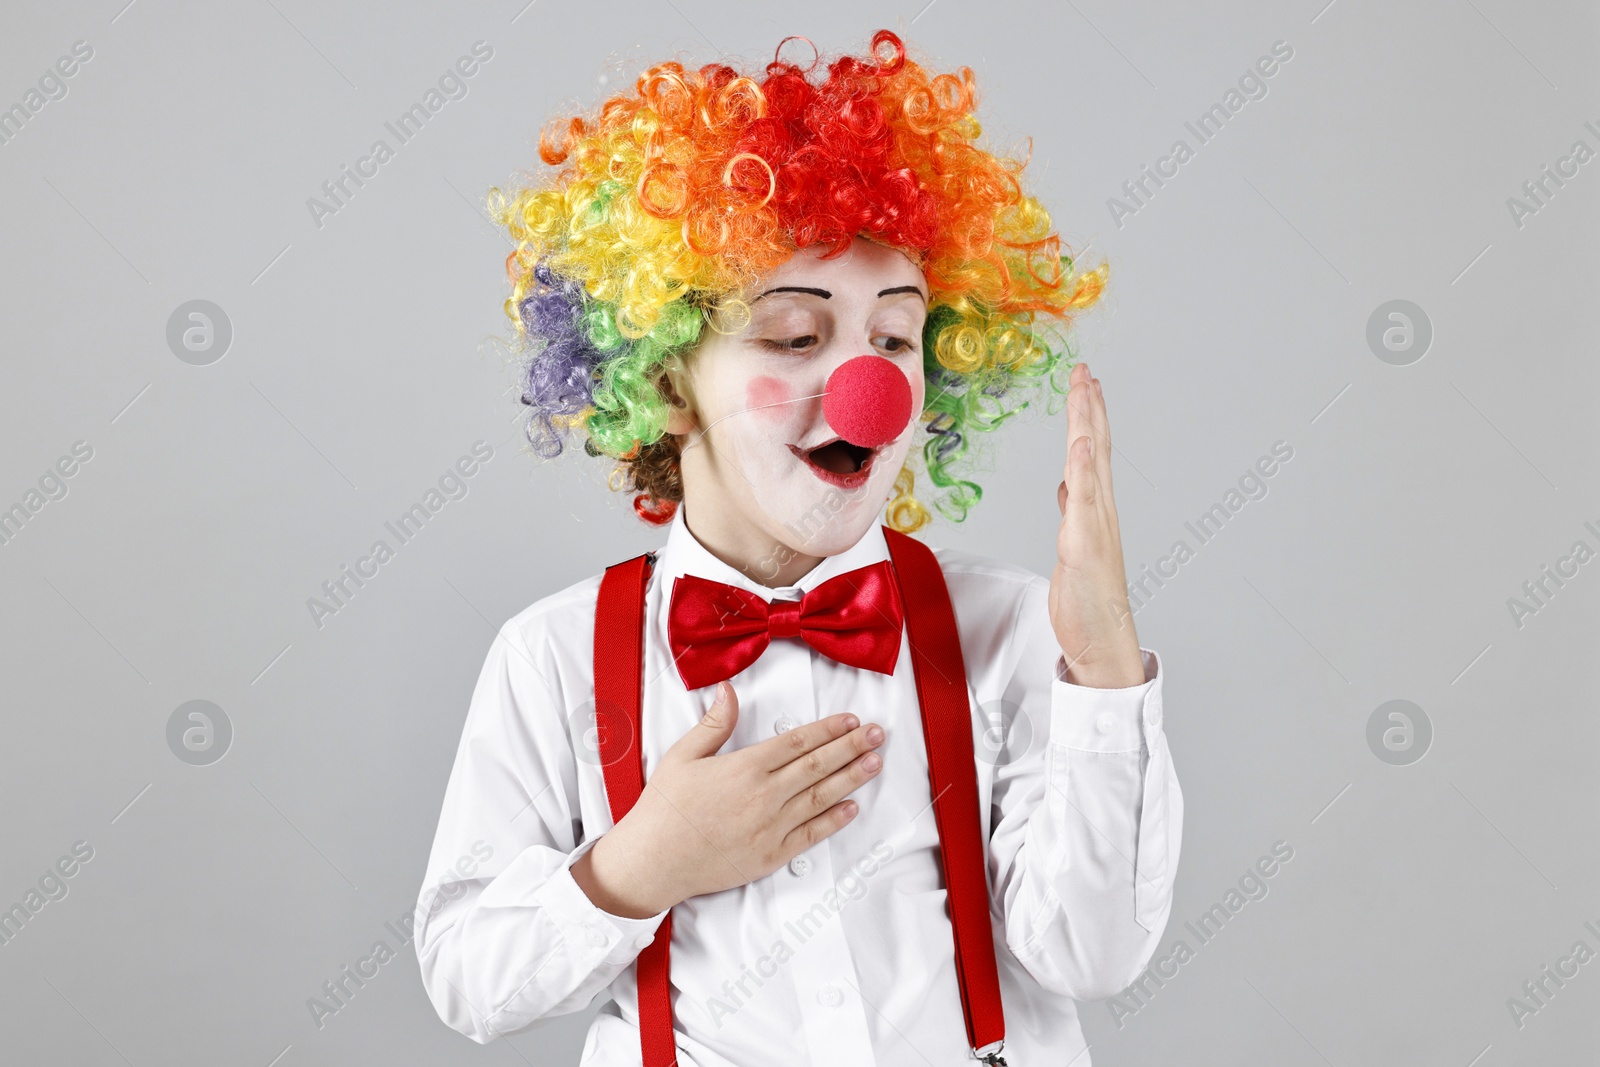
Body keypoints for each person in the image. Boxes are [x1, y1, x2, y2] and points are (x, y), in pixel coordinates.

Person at [415, 29, 1182, 1066]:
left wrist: (1099, 672)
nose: (866, 387)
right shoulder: (550, 657)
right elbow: (466, 972)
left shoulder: (1008, 632)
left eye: (896, 338)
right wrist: (637, 867)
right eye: (792, 335)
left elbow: (1091, 953)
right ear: (669, 382)